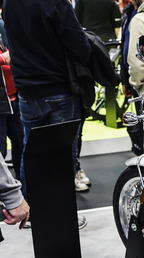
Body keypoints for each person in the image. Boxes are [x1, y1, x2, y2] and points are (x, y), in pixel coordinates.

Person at [3, 0, 91, 229]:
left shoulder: (10, 4)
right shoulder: (54, 2)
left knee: (31, 154)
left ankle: (30, 211)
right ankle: (60, 217)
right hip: (58, 88)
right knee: (63, 155)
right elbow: (80, 46)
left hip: (26, 91)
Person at [0, 28, 23, 185]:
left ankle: (23, 190)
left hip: (14, 97)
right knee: (0, 151)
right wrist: (3, 59)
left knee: (22, 145)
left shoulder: (3, 25)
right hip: (3, 102)